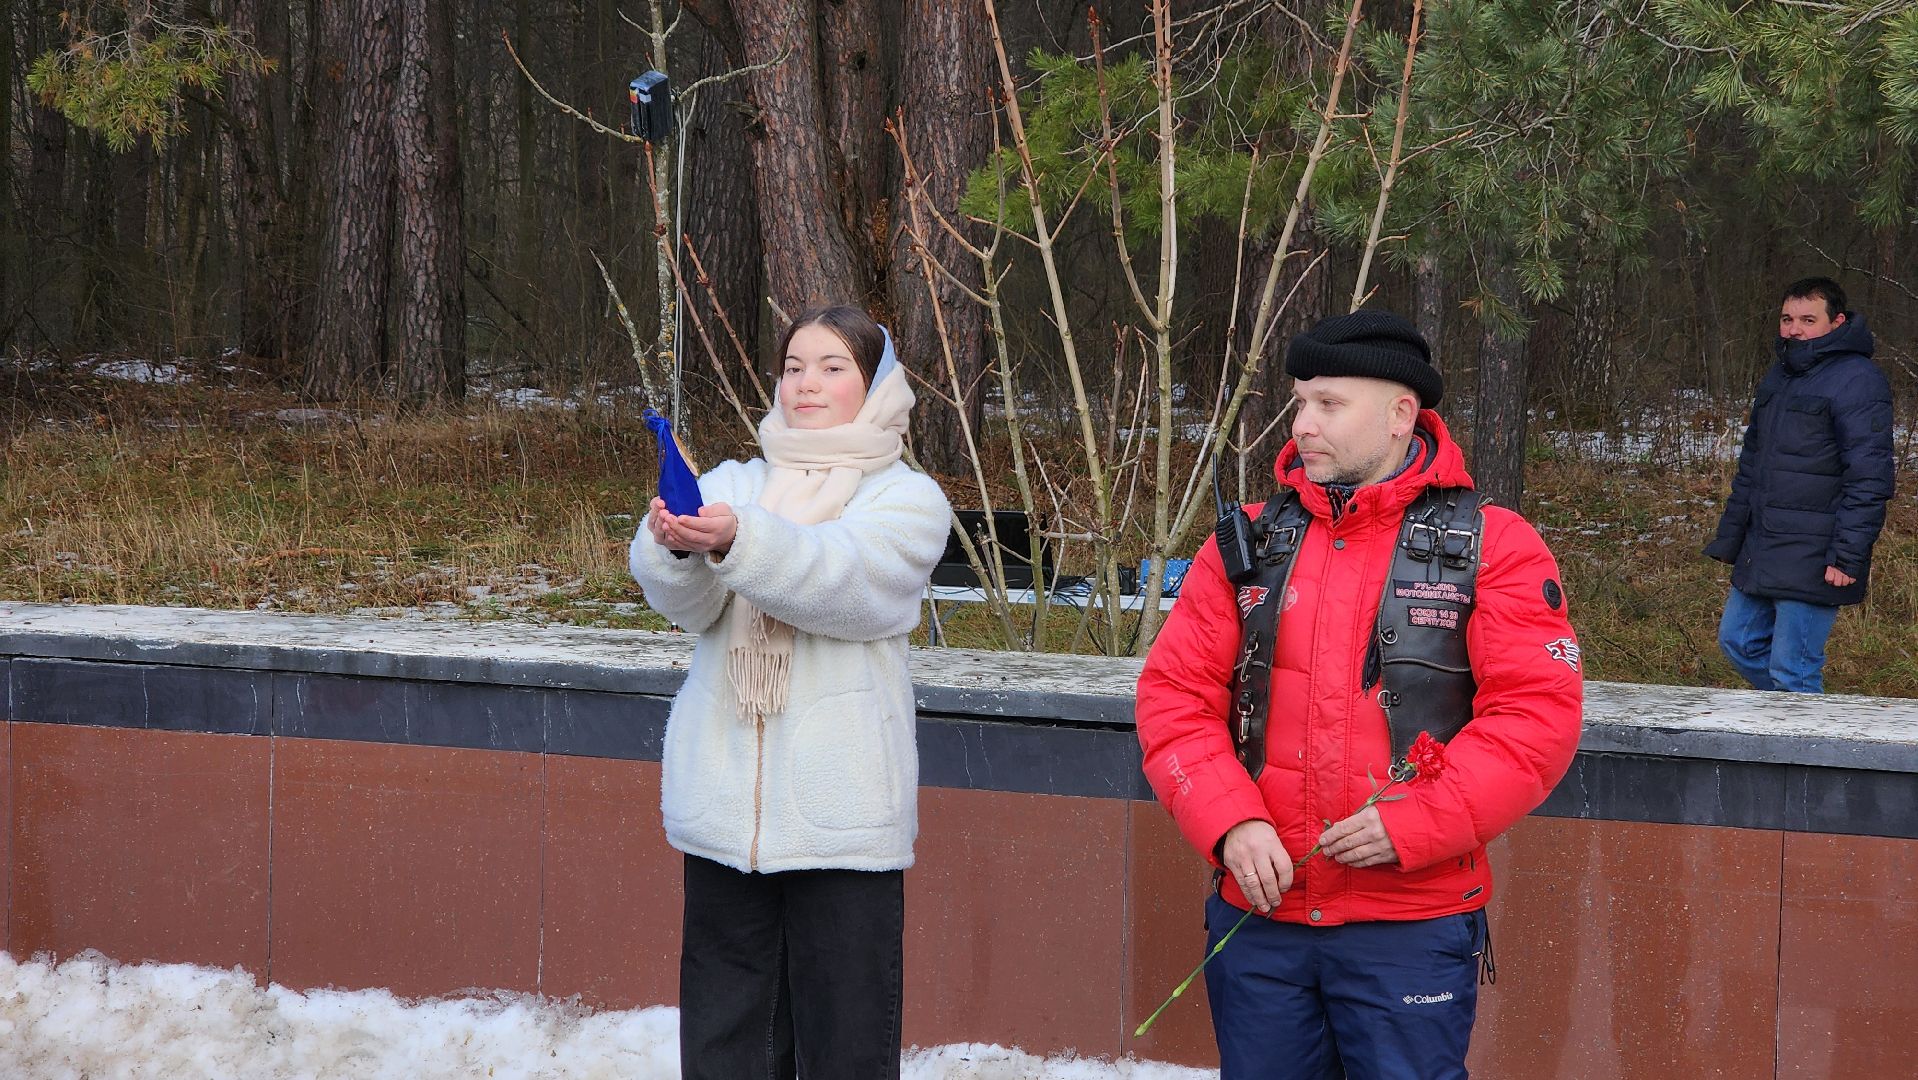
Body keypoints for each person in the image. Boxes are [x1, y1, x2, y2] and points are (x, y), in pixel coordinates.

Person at [1135, 310, 1584, 1079]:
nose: (1303, 424)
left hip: (1410, 925)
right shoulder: (1245, 541)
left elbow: (1535, 721)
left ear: (1400, 413)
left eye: (1329, 405)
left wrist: (1414, 823)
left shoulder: (1494, 544)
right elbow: (1174, 700)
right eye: (1300, 401)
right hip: (1260, 919)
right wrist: (1231, 822)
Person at [629, 304, 951, 1079]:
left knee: (845, 1047)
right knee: (723, 1043)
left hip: (842, 822)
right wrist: (673, 546)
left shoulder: (906, 499)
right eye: (795, 366)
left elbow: (846, 583)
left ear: (874, 386)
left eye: (833, 367)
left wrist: (739, 539)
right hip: (724, 816)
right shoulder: (736, 482)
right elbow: (691, 607)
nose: (807, 383)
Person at [1705, 277, 1895, 694]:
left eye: (1808, 319)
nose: (1795, 329)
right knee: (1737, 642)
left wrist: (1847, 556)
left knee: (1793, 668)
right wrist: (1734, 536)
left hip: (1817, 550)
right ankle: (1791, 727)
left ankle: (1809, 753)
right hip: (1766, 543)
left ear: (1837, 322)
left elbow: (1870, 477)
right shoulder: (1780, 376)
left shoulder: (1858, 379)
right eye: (1788, 318)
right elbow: (1753, 465)